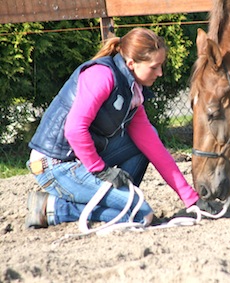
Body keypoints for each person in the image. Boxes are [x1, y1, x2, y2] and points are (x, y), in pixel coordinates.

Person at [25, 27, 213, 229]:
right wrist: (102, 171)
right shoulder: (101, 76)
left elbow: (154, 148)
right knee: (142, 215)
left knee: (146, 145)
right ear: (131, 64)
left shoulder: (133, 92)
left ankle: (118, 200)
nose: (160, 73)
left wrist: (191, 199)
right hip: (55, 166)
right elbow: (74, 129)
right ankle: (55, 208)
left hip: (79, 162)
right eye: (154, 67)